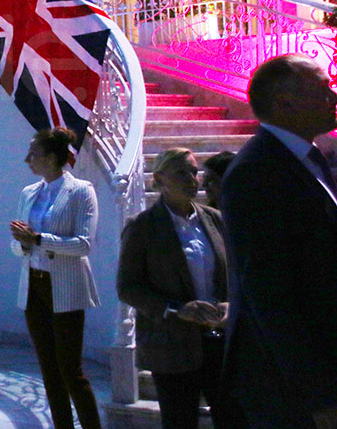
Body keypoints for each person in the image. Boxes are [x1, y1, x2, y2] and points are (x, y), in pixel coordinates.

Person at [219, 54, 337, 427]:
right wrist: (317, 394)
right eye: (323, 89)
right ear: (283, 102)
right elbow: (268, 291)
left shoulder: (310, 159)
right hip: (288, 385)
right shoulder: (256, 172)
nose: (333, 98)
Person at [117, 148, 237, 428]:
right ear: (159, 179)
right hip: (172, 346)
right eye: (181, 172)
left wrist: (231, 304)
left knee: (232, 417)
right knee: (180, 420)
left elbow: (235, 273)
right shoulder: (143, 227)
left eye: (194, 172)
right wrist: (178, 309)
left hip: (219, 342)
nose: (191, 179)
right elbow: (128, 287)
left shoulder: (214, 219)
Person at [10, 127, 102, 429]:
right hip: (33, 285)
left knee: (70, 370)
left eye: (33, 155)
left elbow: (84, 244)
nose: (27, 160)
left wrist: (38, 239)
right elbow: (17, 243)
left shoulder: (81, 191)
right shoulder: (29, 193)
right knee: (48, 370)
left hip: (64, 286)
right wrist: (23, 242)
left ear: (51, 158)